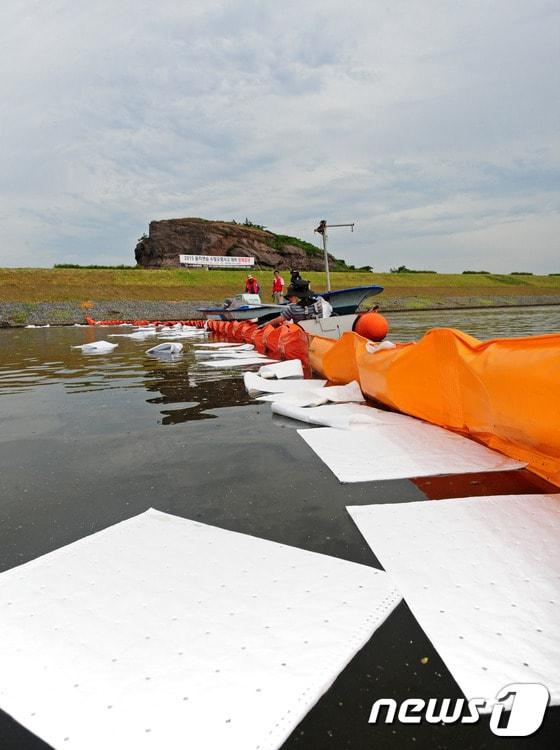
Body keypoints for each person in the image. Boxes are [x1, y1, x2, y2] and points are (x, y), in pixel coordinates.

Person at [265, 278, 332, 327]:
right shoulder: (320, 302)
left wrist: (264, 325)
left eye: (290, 297)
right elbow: (329, 310)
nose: (289, 299)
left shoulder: (292, 309)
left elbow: (276, 321)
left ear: (296, 296)